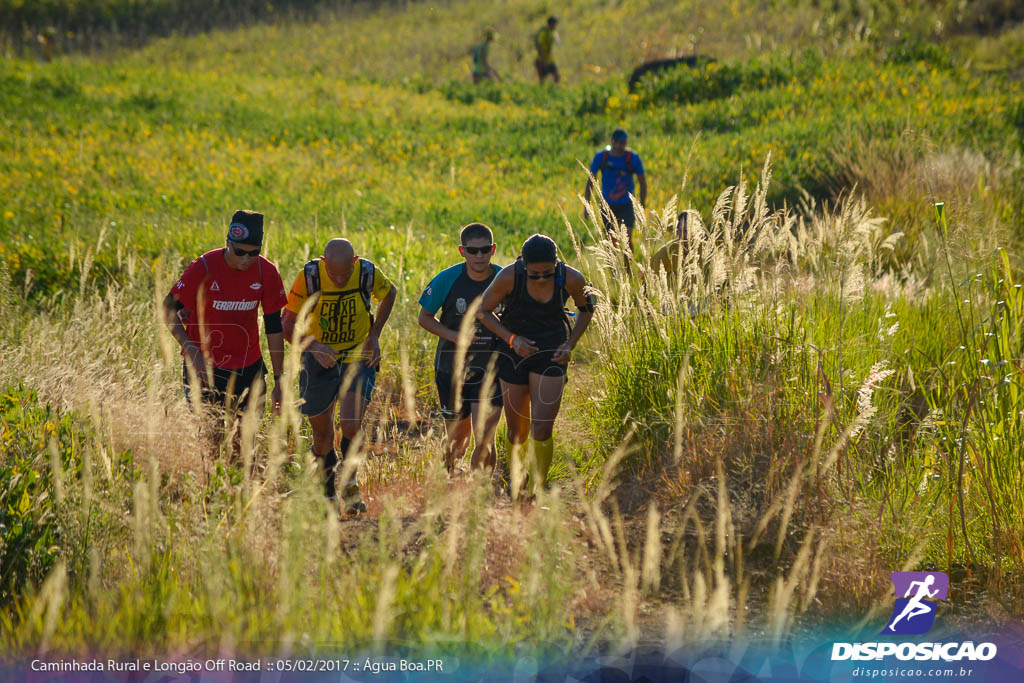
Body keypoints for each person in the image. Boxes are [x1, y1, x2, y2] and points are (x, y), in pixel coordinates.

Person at [282, 238, 397, 515]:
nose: (340, 279)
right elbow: (287, 324)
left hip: (358, 354)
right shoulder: (309, 277)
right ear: (323, 262)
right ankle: (327, 494)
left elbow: (390, 292)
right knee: (322, 434)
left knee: (351, 424)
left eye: (345, 274)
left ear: (355, 262)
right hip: (318, 357)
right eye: (334, 275)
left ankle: (350, 484)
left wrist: (375, 334)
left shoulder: (368, 272)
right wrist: (315, 346)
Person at [479, 234, 597, 499]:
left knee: (542, 428)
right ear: (523, 265)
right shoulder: (510, 276)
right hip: (513, 354)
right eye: (534, 274)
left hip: (552, 354)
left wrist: (570, 344)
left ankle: (538, 490)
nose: (541, 279)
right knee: (517, 431)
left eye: (547, 273)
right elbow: (483, 311)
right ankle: (517, 485)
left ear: (556, 264)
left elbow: (587, 308)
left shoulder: (571, 278)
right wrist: (511, 339)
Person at [162, 210, 288, 458]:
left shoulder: (267, 272)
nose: (246, 259)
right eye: (239, 251)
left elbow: (274, 327)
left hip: (248, 366)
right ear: (227, 243)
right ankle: (212, 492)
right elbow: (168, 310)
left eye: (254, 252)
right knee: (213, 440)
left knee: (245, 442)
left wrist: (280, 379)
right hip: (205, 367)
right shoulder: (204, 267)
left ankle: (242, 492)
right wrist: (193, 351)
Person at [418, 223, 504, 474]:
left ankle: (480, 494)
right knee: (459, 442)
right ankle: (448, 477)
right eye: (472, 251)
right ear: (461, 251)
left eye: (485, 250)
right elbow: (424, 318)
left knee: (485, 438)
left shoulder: (503, 279)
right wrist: (456, 337)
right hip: (451, 367)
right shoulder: (447, 279)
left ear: (493, 249)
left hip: (491, 368)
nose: (479, 256)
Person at [583, 128, 647, 253]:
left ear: (626, 143)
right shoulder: (601, 157)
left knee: (627, 239)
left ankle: (628, 270)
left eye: (621, 143)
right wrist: (586, 205)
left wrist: (642, 204)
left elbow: (642, 181)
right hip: (607, 205)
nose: (618, 146)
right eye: (616, 142)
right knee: (610, 242)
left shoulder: (632, 158)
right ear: (611, 141)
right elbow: (590, 181)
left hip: (627, 204)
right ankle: (614, 271)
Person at [534, 16, 560, 84]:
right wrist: (543, 60)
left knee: (556, 76)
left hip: (549, 59)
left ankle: (555, 92)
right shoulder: (544, 33)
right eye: (554, 24)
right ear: (550, 24)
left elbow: (556, 38)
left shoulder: (552, 32)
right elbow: (539, 46)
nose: (555, 26)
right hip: (541, 60)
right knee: (542, 80)